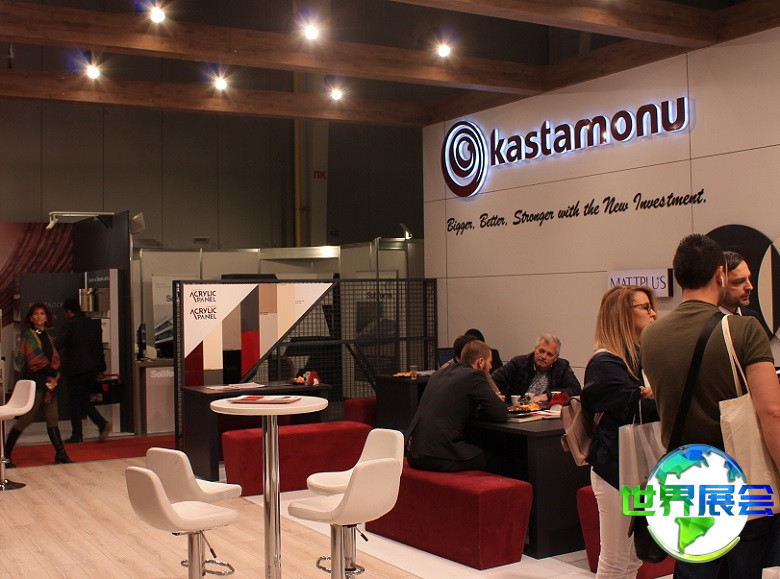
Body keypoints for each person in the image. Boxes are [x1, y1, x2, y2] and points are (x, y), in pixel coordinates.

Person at [641, 234, 780, 579]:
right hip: (740, 480)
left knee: (694, 567)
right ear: (720, 274)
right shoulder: (744, 329)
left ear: (678, 278)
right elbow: (772, 412)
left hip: (684, 476)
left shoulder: (651, 335)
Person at [581, 285, 659, 578]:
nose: (653, 313)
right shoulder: (605, 362)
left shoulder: (637, 357)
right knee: (615, 560)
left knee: (633, 559)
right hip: (615, 468)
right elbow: (636, 407)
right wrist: (656, 394)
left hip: (637, 466)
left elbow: (645, 402)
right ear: (622, 315)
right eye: (645, 307)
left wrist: (652, 393)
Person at [406, 340, 508, 472]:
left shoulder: (439, 374)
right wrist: (484, 408)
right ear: (481, 362)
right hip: (437, 454)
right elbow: (500, 413)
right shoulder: (474, 375)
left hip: (413, 452)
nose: (491, 367)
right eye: (490, 362)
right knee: (498, 459)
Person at [4, 303, 73, 466]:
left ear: (46, 317)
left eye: (42, 313)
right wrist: (54, 374)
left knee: (52, 418)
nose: (39, 316)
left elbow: (53, 359)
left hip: (48, 384)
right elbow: (36, 362)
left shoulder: (46, 335)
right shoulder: (30, 336)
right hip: (35, 384)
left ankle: (61, 454)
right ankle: (5, 455)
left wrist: (54, 376)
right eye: (36, 314)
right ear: (31, 318)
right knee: (26, 419)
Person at [55, 298, 111, 444]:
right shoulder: (93, 324)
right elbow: (99, 346)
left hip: (76, 369)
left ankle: (78, 434)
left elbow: (59, 343)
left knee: (74, 401)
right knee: (84, 400)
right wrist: (101, 367)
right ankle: (101, 424)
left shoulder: (70, 324)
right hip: (93, 369)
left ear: (68, 311)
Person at [492, 334, 581, 403]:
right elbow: (492, 380)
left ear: (555, 358)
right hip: (517, 410)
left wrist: (548, 396)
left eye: (549, 354)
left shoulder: (562, 366)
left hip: (545, 413)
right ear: (535, 350)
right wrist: (495, 396)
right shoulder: (519, 362)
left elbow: (576, 389)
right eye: (541, 351)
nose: (543, 356)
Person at [720, 251, 773, 337]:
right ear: (719, 283)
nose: (750, 287)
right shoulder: (705, 322)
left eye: (749, 279)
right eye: (738, 282)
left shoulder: (754, 318)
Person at [441, 334, 503, 399]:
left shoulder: (480, 368)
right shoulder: (446, 371)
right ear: (458, 358)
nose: (473, 359)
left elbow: (496, 393)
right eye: (468, 356)